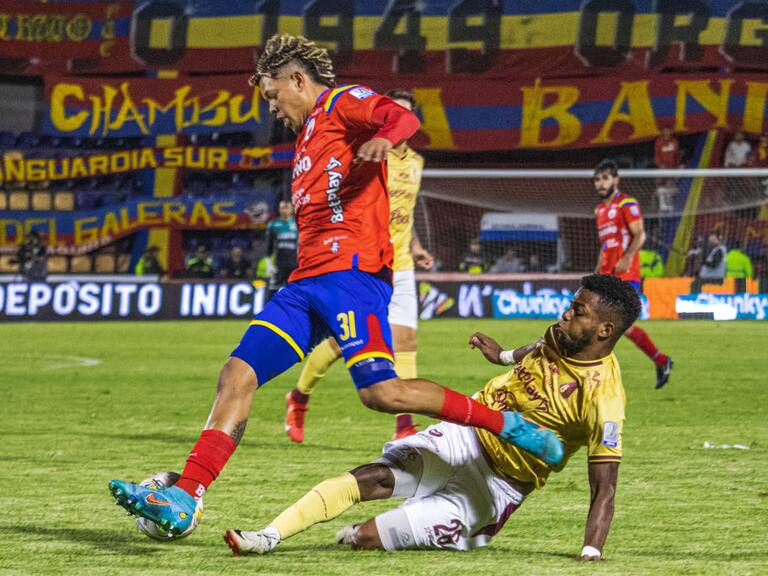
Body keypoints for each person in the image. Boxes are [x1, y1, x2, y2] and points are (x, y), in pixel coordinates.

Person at [108, 33, 563, 536]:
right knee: (237, 374)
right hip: (303, 286)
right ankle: (185, 495)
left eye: (273, 95)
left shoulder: (341, 103)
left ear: (297, 79)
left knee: (383, 395)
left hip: (352, 278)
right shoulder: (305, 139)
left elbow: (403, 118)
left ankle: (509, 426)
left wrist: (386, 138)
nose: (273, 108)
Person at [224, 274, 639, 561]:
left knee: (365, 538)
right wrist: (501, 356)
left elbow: (605, 487)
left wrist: (591, 552)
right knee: (374, 477)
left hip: (499, 486)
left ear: (603, 331)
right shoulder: (558, 334)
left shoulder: (605, 399)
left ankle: (471, 528)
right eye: (570, 306)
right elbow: (533, 348)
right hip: (466, 435)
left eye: (578, 311)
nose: (566, 314)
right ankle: (268, 536)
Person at [284, 89, 435, 443]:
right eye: (391, 112)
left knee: (405, 340)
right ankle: (299, 396)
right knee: (342, 343)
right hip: (364, 260)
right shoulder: (366, 150)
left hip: (402, 262)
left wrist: (416, 247)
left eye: (404, 113)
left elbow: (404, 212)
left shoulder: (416, 163)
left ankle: (404, 427)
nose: (395, 118)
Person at [593, 159, 672, 389]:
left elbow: (640, 235)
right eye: (597, 179)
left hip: (626, 276)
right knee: (608, 325)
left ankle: (595, 378)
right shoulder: (599, 210)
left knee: (611, 325)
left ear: (616, 180)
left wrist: (627, 257)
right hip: (607, 276)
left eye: (605, 178)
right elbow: (605, 245)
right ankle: (661, 360)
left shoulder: (627, 204)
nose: (600, 183)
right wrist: (597, 270)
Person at [265, 200, 298, 298]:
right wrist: (268, 265)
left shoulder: (297, 224)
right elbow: (269, 246)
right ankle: (271, 311)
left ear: (292, 209)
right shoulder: (273, 224)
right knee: (273, 289)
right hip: (279, 264)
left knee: (294, 290)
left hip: (294, 264)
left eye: (286, 207)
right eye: (282, 207)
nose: (284, 210)